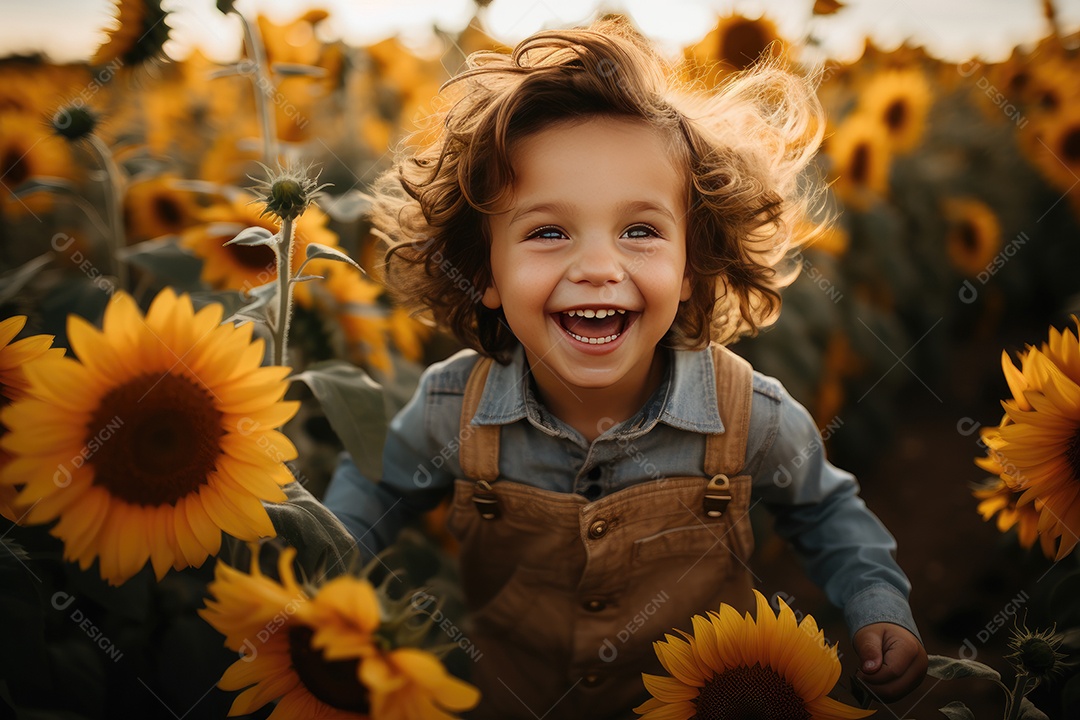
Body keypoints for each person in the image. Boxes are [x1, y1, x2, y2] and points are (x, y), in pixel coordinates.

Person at [324, 18, 927, 719]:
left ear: (693, 266)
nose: (598, 268)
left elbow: (825, 511)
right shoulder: (452, 407)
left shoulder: (747, 414)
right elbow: (374, 491)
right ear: (483, 270)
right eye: (548, 232)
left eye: (640, 231)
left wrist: (877, 606)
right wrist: (320, 583)